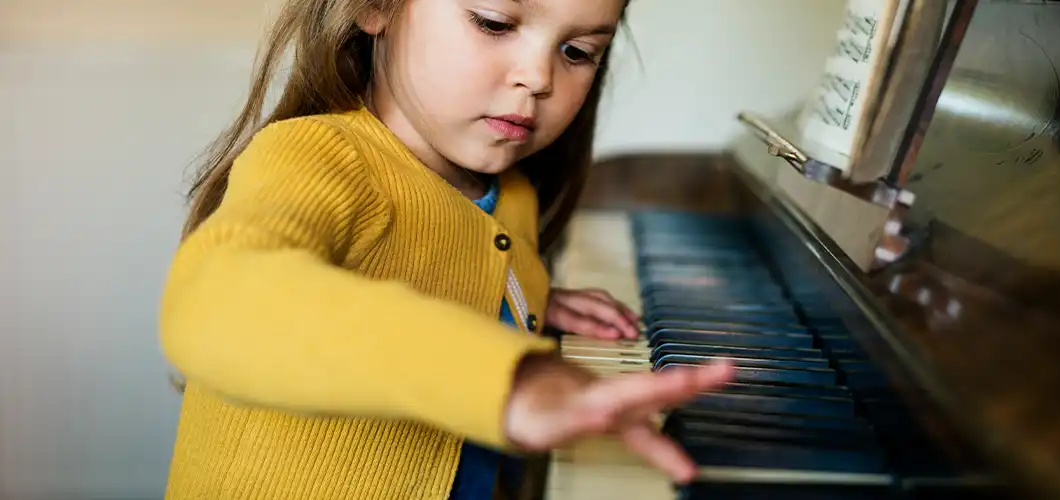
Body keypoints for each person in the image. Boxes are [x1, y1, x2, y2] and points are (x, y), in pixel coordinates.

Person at [158, 0, 735, 498]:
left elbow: (434, 254)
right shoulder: (319, 156)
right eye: (494, 22)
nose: (539, 77)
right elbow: (217, 301)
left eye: (578, 52)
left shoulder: (511, 194)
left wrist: (515, 293)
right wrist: (515, 381)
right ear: (377, 7)